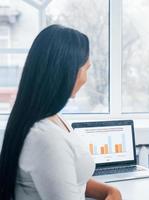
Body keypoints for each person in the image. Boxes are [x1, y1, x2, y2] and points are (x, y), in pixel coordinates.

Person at [0, 25, 121, 200]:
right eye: (86, 69)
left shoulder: (51, 118)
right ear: (68, 72)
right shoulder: (45, 139)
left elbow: (70, 179)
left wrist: (110, 191)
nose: (86, 78)